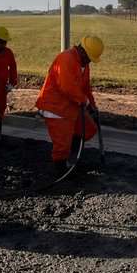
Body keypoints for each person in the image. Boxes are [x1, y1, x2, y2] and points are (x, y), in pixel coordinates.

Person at [36, 36, 104, 174]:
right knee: (62, 145)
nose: (90, 61)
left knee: (89, 128)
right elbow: (67, 87)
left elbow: (86, 88)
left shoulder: (84, 64)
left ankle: (72, 158)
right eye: (89, 58)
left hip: (72, 105)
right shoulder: (66, 59)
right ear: (83, 51)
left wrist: (92, 106)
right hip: (55, 107)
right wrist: (84, 101)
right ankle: (61, 170)